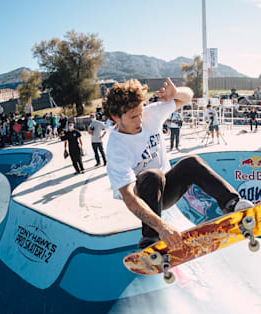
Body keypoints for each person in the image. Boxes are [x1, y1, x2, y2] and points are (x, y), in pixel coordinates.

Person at [103, 78, 249, 249]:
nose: (140, 120)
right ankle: (151, 238)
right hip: (142, 198)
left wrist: (176, 93)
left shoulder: (151, 113)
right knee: (152, 175)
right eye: (134, 117)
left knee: (191, 162)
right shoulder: (116, 147)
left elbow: (188, 96)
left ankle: (231, 204)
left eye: (141, 113)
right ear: (115, 117)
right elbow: (129, 196)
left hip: (167, 188)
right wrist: (161, 226)